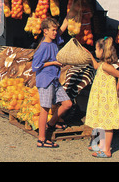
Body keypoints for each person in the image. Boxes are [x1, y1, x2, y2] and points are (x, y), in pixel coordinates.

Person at [32, 17, 72, 148]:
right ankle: (41, 139)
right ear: (45, 31)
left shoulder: (54, 42)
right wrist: (53, 62)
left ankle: (52, 123)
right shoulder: (43, 46)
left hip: (54, 80)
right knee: (45, 109)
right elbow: (35, 66)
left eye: (56, 30)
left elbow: (63, 26)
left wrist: (72, 11)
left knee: (67, 103)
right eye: (53, 30)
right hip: (45, 81)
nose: (56, 32)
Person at [84, 36, 119, 158]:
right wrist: (90, 56)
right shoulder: (102, 64)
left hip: (107, 99)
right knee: (101, 122)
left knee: (107, 124)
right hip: (101, 99)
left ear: (102, 51)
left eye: (96, 49)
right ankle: (100, 145)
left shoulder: (107, 66)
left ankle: (106, 150)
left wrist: (115, 89)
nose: (95, 51)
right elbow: (96, 66)